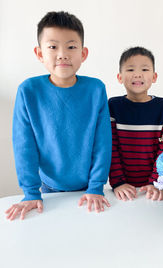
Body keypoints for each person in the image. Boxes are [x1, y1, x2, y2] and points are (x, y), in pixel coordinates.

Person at [5, 11, 112, 220]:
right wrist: (30, 192)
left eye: (71, 47)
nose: (62, 54)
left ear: (83, 53)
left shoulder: (96, 89)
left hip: (89, 187)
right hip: (47, 187)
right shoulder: (28, 90)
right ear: (39, 53)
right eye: (53, 47)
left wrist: (96, 186)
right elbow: (23, 145)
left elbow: (103, 142)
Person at [108, 47, 163, 201]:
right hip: (123, 189)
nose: (137, 74)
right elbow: (111, 147)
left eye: (144, 69)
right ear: (120, 77)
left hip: (153, 189)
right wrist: (118, 183)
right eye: (130, 69)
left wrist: (156, 182)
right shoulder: (113, 106)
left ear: (154, 76)